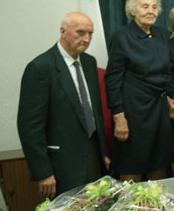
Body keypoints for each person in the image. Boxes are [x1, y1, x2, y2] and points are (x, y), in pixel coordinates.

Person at [17, 12, 109, 198]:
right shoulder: (40, 68)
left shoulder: (89, 62)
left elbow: (95, 113)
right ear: (63, 31)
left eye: (90, 33)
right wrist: (43, 172)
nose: (86, 39)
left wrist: (103, 154)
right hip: (61, 165)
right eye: (80, 32)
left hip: (93, 156)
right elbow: (30, 127)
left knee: (97, 209)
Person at [105, 0, 174, 182]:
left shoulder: (163, 35)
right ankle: (129, 203)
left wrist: (171, 97)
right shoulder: (121, 37)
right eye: (145, 6)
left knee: (159, 162)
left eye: (154, 7)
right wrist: (119, 116)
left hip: (159, 110)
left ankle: (158, 202)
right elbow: (112, 78)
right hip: (133, 111)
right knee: (132, 163)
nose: (150, 11)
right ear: (133, 10)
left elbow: (167, 72)